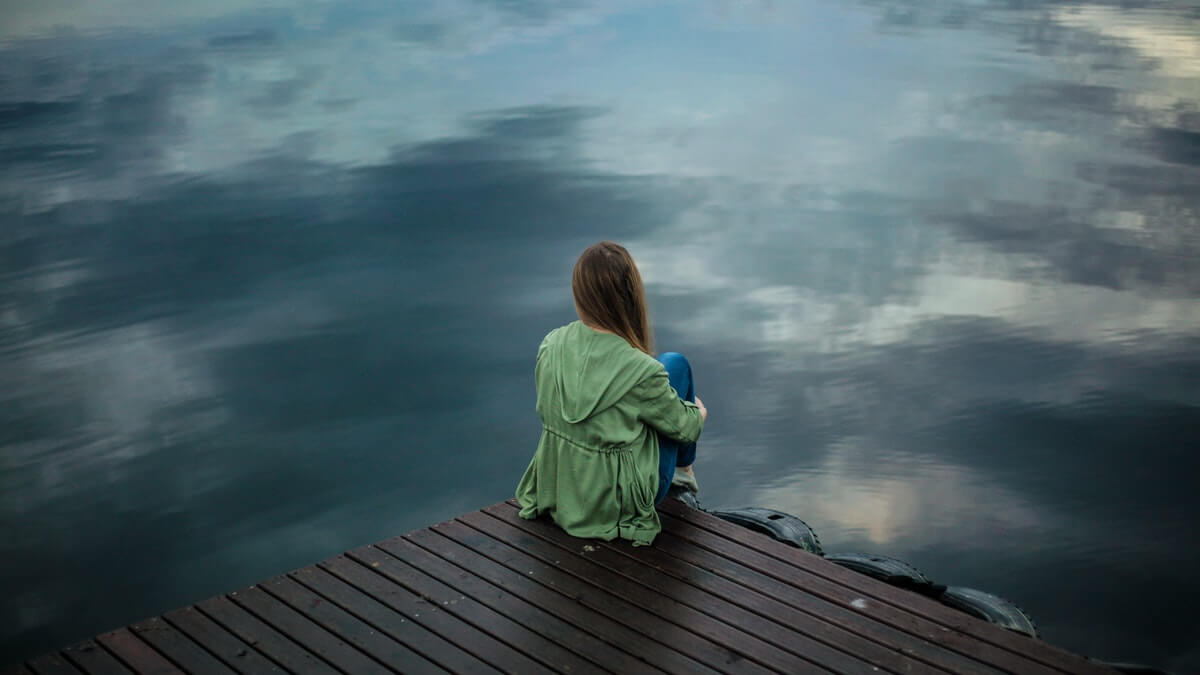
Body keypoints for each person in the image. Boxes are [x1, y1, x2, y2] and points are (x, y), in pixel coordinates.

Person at [515, 241, 708, 546]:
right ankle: (683, 473)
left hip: (564, 487)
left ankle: (680, 470)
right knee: (675, 364)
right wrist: (697, 412)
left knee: (664, 374)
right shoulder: (643, 371)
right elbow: (687, 429)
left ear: (579, 294)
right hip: (616, 504)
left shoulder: (550, 345)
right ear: (631, 296)